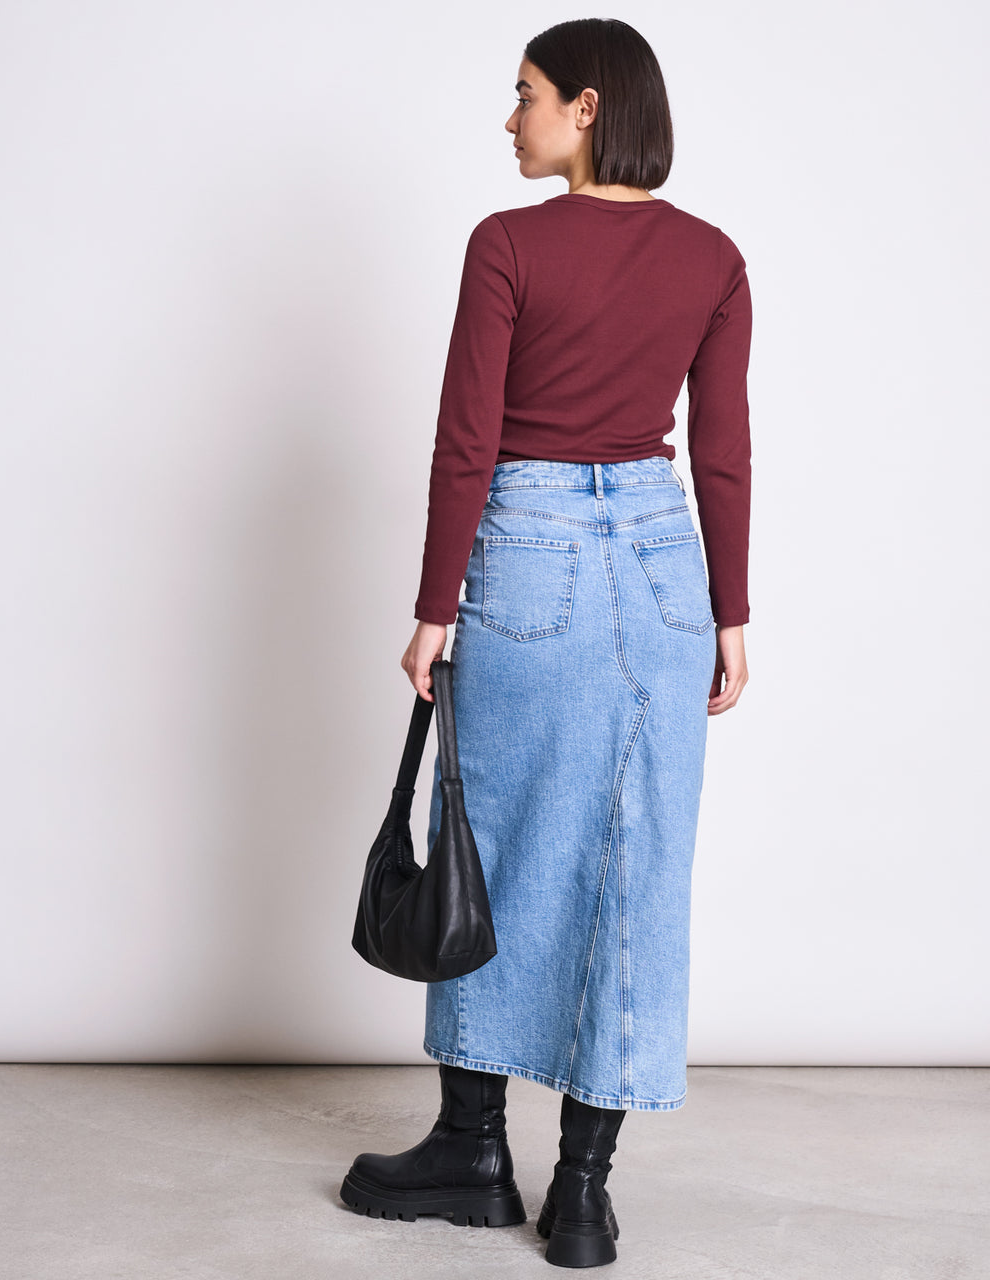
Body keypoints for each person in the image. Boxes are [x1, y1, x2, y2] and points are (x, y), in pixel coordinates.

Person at [340, 16, 751, 1270]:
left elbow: (468, 438)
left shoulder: (508, 243)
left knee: (495, 838)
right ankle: (583, 1190)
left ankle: (472, 1153)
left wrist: (434, 604)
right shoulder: (714, 257)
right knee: (638, 865)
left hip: (528, 555)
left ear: (585, 106)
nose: (506, 117)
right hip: (665, 564)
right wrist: (729, 613)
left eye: (521, 95)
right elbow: (721, 448)